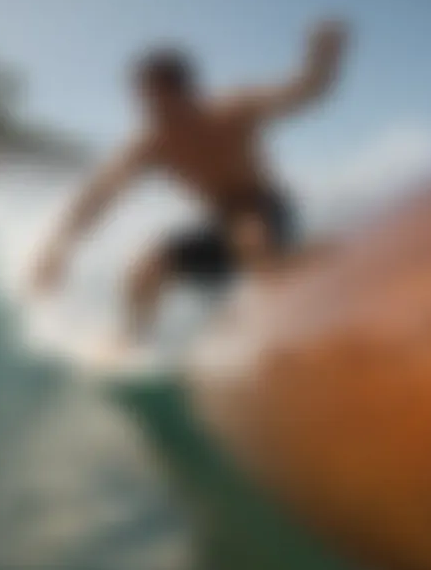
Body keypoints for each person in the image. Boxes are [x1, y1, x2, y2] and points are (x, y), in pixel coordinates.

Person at [31, 19, 350, 349]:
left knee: (250, 236)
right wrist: (59, 248)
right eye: (142, 101)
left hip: (267, 210)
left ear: (182, 92)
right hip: (220, 225)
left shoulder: (232, 109)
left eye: (152, 100)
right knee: (144, 271)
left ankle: (299, 308)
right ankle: (129, 343)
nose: (146, 110)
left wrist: (322, 58)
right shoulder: (153, 143)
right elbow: (100, 194)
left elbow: (304, 92)